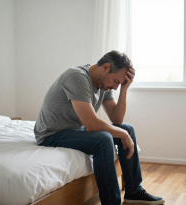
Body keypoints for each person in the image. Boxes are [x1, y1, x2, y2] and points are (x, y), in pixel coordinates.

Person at [34, 50, 165, 205]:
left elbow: (117, 119)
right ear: (105, 68)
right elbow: (91, 125)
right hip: (51, 134)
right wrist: (123, 135)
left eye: (119, 84)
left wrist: (124, 89)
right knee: (104, 139)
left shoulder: (104, 84)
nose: (115, 87)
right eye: (117, 81)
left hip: (74, 130)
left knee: (127, 128)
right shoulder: (77, 77)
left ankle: (133, 191)